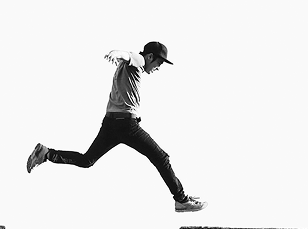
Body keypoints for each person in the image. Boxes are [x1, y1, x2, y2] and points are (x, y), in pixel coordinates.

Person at [26, 41, 207, 212]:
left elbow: (126, 58)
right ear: (150, 57)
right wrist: (116, 53)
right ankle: (181, 200)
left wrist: (119, 56)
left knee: (87, 160)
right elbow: (128, 55)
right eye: (159, 63)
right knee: (161, 158)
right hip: (127, 125)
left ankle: (46, 153)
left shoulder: (126, 68)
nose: (158, 68)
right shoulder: (139, 61)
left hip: (110, 124)